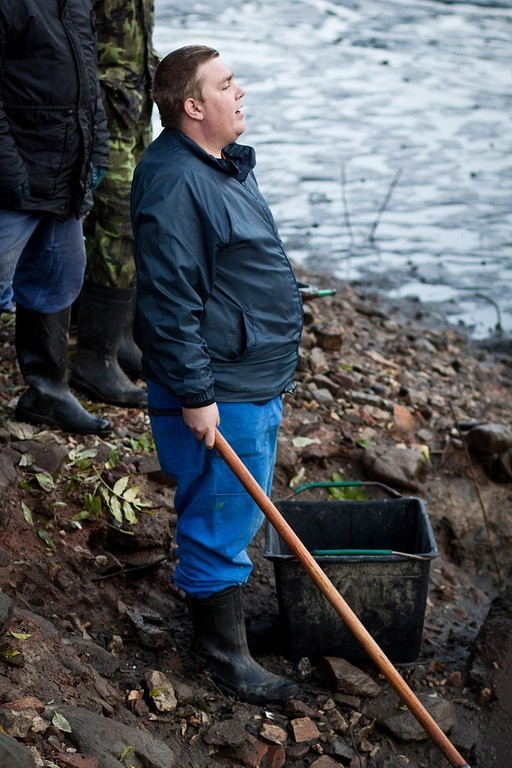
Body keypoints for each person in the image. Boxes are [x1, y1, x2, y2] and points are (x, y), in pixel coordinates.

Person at [131, 45, 303, 703]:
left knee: (232, 507)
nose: (241, 92)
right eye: (227, 85)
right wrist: (197, 393)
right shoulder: (177, 182)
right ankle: (222, 655)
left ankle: (224, 624)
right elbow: (169, 301)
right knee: (222, 512)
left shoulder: (216, 163)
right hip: (222, 385)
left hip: (247, 373)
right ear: (193, 106)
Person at [0, 0, 111, 437]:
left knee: (58, 279)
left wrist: (97, 151)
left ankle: (47, 394)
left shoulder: (77, 2)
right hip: (15, 176)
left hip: (66, 172)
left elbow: (89, 84)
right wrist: (8, 170)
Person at [70, 0, 157, 408]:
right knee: (118, 219)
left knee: (140, 210)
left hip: (134, 104)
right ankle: (95, 357)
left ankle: (120, 340)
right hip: (101, 108)